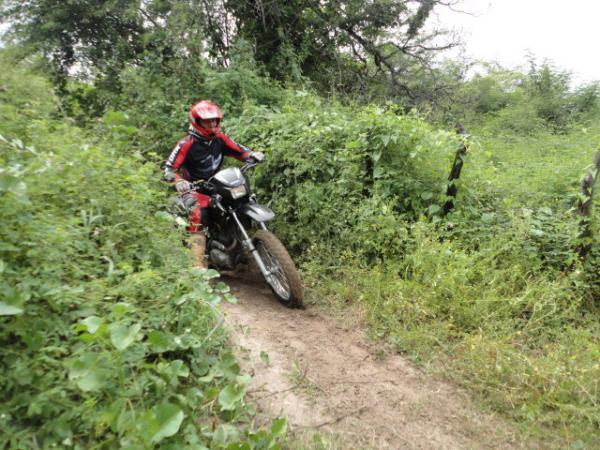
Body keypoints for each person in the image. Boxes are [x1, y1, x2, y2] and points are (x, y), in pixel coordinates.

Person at [164, 100, 264, 268]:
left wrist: (252, 155)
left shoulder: (220, 139)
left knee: (242, 199)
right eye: (207, 121)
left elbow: (239, 151)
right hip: (195, 188)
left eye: (214, 120)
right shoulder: (186, 144)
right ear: (197, 122)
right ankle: (198, 266)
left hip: (217, 184)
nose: (211, 124)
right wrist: (178, 181)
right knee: (197, 215)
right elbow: (168, 169)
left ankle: (237, 246)